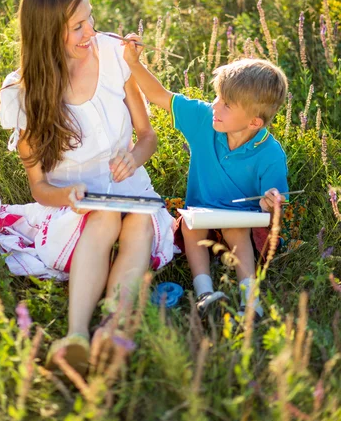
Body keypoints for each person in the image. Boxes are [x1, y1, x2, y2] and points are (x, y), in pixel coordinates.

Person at [0, 0, 176, 375]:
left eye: (90, 19)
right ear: (47, 34)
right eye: (78, 26)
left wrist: (134, 157)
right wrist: (68, 196)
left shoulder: (113, 57)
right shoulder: (24, 93)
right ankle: (76, 334)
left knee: (141, 223)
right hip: (74, 205)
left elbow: (148, 135)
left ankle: (111, 329)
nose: (91, 32)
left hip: (128, 187)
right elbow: (40, 186)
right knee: (104, 216)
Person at [122, 41, 288, 321]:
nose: (215, 106)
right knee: (189, 225)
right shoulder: (204, 119)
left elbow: (273, 202)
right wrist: (134, 63)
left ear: (254, 123)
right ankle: (205, 293)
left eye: (226, 104)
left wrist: (269, 201)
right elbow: (159, 95)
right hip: (199, 215)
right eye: (218, 97)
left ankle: (251, 302)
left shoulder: (271, 153)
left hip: (239, 221)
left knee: (235, 231)